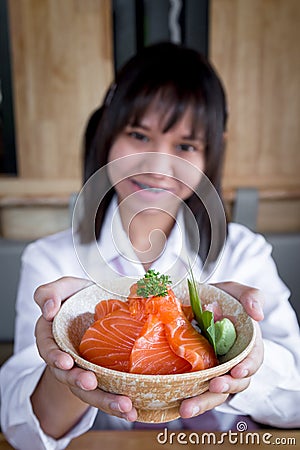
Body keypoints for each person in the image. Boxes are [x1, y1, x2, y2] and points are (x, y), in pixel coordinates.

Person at [1, 42, 300, 450]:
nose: (158, 167)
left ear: (211, 154)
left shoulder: (244, 253)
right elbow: (22, 434)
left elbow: (296, 400)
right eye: (139, 135)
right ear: (107, 135)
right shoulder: (49, 261)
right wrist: (65, 370)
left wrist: (244, 356)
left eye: (185, 146)